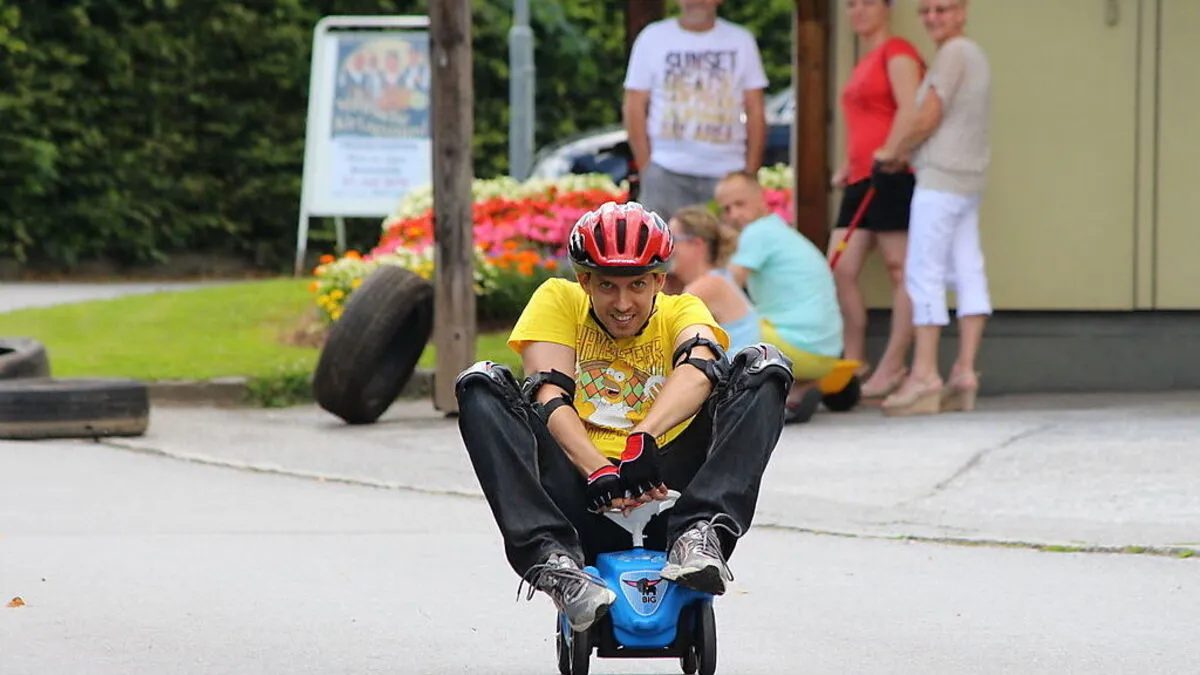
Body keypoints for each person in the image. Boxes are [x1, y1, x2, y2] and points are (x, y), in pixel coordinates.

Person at [453, 201, 794, 634]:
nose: (623, 303)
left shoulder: (682, 310)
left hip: (666, 491)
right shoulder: (559, 299)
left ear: (658, 280)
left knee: (765, 367)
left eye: (637, 285)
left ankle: (700, 534)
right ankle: (553, 563)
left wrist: (644, 439)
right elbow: (549, 392)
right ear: (585, 281)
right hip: (582, 491)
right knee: (479, 383)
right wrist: (598, 468)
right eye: (607, 287)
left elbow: (700, 365)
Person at [872, 0, 992, 416]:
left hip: (940, 179)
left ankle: (924, 375)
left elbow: (928, 117)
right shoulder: (974, 54)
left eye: (943, 9)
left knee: (924, 273)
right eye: (926, 11)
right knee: (969, 270)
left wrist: (895, 151)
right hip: (969, 181)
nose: (933, 17)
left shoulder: (953, 53)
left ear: (962, 11)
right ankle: (964, 371)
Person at [829, 0, 926, 399]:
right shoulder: (864, 61)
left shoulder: (897, 50)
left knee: (899, 269)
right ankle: (854, 361)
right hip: (860, 177)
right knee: (840, 267)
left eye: (868, 3)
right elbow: (865, 122)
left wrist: (891, 151)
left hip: (891, 173)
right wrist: (846, 166)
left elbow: (910, 109)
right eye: (851, 5)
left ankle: (893, 364)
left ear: (887, 8)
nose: (858, 11)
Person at [714, 170, 844, 422]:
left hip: (797, 346)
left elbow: (724, 288)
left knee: (716, 330)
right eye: (726, 209)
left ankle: (730, 402)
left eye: (740, 204)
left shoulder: (758, 232)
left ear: (762, 199)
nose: (733, 215)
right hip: (826, 351)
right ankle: (797, 391)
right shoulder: (779, 231)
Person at [622, 0, 769, 222]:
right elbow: (634, 105)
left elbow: (756, 109)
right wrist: (648, 166)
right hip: (666, 171)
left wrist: (749, 172)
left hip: (727, 172)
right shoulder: (652, 39)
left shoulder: (741, 41)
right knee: (661, 250)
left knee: (727, 251)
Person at [666, 205, 761, 355]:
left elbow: (664, 327)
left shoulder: (707, 286)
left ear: (696, 244)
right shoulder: (719, 277)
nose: (665, 248)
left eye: (672, 240)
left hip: (740, 373)